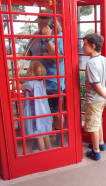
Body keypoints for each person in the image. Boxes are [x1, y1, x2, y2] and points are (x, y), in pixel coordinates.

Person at [15, 9, 66, 149]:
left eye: (41, 23)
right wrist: (10, 56)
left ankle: (60, 136)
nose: (38, 26)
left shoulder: (59, 37)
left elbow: (57, 59)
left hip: (53, 82)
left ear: (50, 23)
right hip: (36, 82)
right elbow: (26, 53)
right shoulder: (35, 36)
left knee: (55, 112)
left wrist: (48, 38)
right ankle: (40, 139)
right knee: (38, 112)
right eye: (38, 23)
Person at [83, 33, 106, 161]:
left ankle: (95, 152)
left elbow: (96, 85)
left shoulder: (91, 63)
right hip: (101, 99)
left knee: (93, 126)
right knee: (98, 122)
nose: (82, 47)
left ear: (92, 46)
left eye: (84, 45)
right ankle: (101, 144)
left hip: (94, 98)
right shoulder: (102, 59)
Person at [12, 62, 52, 151]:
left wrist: (17, 74)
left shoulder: (30, 84)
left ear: (33, 74)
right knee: (44, 133)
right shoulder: (41, 82)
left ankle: (42, 153)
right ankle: (49, 151)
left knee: (38, 135)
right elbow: (26, 83)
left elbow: (15, 86)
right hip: (43, 111)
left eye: (28, 71)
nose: (26, 73)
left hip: (35, 112)